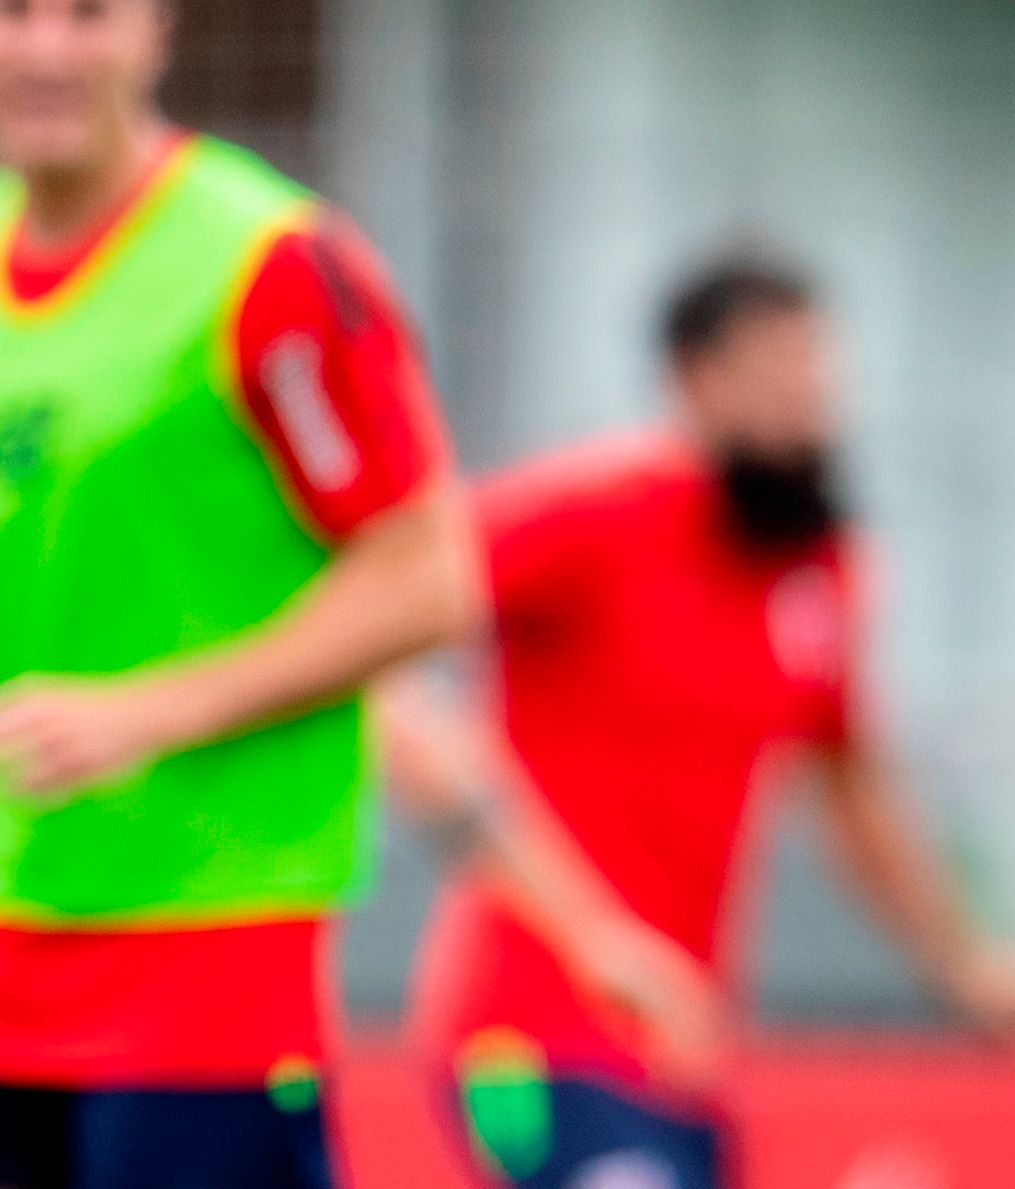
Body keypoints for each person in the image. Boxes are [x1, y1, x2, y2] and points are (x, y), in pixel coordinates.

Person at [0, 0, 482, 1189]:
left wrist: (145, 710)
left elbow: (426, 577)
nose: (46, 46)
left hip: (205, 955)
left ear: (151, 31)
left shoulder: (269, 263)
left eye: (86, 9)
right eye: (12, 5)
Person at [388, 256, 1015, 1189]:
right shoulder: (593, 517)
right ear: (694, 380)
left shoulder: (816, 566)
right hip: (522, 1033)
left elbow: (851, 786)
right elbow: (377, 616)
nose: (806, 406)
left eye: (815, 375)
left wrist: (962, 963)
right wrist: (576, 917)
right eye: (776, 375)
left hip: (686, 1044)